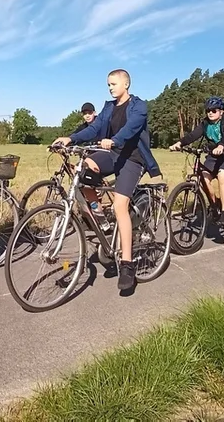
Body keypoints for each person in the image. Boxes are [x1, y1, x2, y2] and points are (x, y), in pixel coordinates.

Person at [53, 69, 161, 291]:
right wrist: (70, 138)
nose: (110, 87)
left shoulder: (138, 106)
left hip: (132, 158)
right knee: (81, 169)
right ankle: (101, 217)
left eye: (113, 84)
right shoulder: (108, 107)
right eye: (108, 85)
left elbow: (132, 129)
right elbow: (94, 128)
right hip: (112, 155)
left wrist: (114, 140)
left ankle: (127, 264)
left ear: (126, 84)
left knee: (121, 205)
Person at [168, 96, 224, 226]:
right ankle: (215, 203)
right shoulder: (205, 124)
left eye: (214, 110)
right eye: (208, 110)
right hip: (215, 154)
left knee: (222, 175)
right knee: (204, 178)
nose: (210, 112)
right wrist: (179, 144)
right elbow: (193, 135)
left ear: (221, 111)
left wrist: (221, 146)